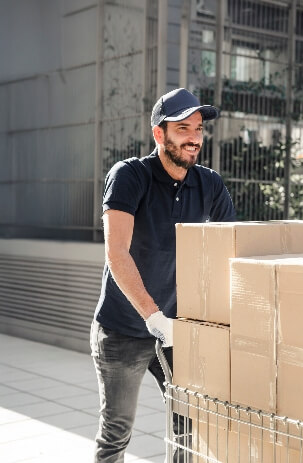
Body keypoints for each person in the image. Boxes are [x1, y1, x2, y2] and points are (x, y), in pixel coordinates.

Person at [90, 88, 236, 463]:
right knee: (116, 432)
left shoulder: (209, 184)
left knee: (189, 428)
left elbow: (230, 251)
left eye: (199, 129)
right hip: (124, 329)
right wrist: (154, 317)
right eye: (183, 128)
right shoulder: (129, 176)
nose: (194, 138)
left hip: (177, 330)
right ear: (160, 134)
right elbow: (116, 251)